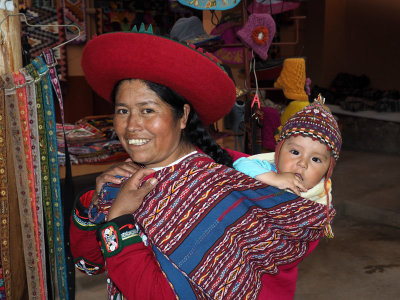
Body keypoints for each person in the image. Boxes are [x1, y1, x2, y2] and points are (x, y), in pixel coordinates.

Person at [70, 25, 334, 300]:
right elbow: (88, 264)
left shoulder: (213, 194)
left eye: (148, 110)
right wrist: (94, 199)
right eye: (122, 111)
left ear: (183, 116)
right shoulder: (128, 180)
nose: (132, 125)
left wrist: (119, 220)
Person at [233, 97, 342, 219]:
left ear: (328, 170)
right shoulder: (269, 168)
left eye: (315, 159)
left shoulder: (321, 196)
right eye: (295, 152)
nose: (302, 163)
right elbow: (240, 164)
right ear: (278, 152)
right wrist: (273, 178)